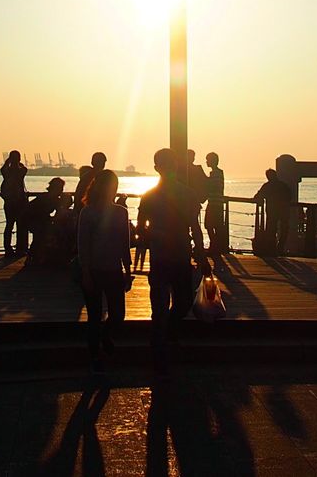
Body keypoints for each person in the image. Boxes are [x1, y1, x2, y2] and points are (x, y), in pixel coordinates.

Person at [137, 148, 211, 374]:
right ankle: (162, 343)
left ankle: (161, 339)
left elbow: (141, 229)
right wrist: (200, 252)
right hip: (175, 256)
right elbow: (195, 228)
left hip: (165, 257)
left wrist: (154, 236)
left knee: (169, 304)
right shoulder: (186, 195)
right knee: (179, 302)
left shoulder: (150, 197)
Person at [76, 169, 131, 370]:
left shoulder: (120, 212)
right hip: (94, 269)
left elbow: (124, 243)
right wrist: (86, 271)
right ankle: (94, 354)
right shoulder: (88, 212)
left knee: (118, 314)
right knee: (94, 314)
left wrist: (128, 269)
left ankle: (105, 336)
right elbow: (82, 244)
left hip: (113, 269)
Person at [23, 178, 66, 265]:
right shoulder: (47, 198)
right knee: (40, 235)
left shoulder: (50, 198)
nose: (61, 190)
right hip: (32, 220)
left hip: (38, 220)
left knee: (41, 235)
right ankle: (34, 256)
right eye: (60, 188)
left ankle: (36, 256)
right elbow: (36, 212)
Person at [253, 168, 292, 256]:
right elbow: (289, 197)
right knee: (284, 229)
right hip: (283, 211)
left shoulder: (267, 186)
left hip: (272, 212)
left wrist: (259, 199)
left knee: (271, 230)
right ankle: (280, 247)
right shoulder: (283, 186)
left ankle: (272, 249)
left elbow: (258, 195)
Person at [0, 150, 28, 256]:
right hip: (20, 201)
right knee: (20, 226)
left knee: (9, 225)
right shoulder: (21, 172)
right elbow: (25, 168)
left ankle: (8, 248)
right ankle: (20, 248)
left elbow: (2, 169)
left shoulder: (6, 172)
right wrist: (19, 163)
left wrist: (8, 162)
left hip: (9, 202)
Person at [203, 152, 225, 253]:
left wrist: (206, 182)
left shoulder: (216, 173)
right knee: (214, 225)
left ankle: (215, 246)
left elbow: (214, 187)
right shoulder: (217, 173)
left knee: (209, 224)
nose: (206, 162)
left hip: (214, 203)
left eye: (208, 160)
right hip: (216, 202)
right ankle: (216, 245)